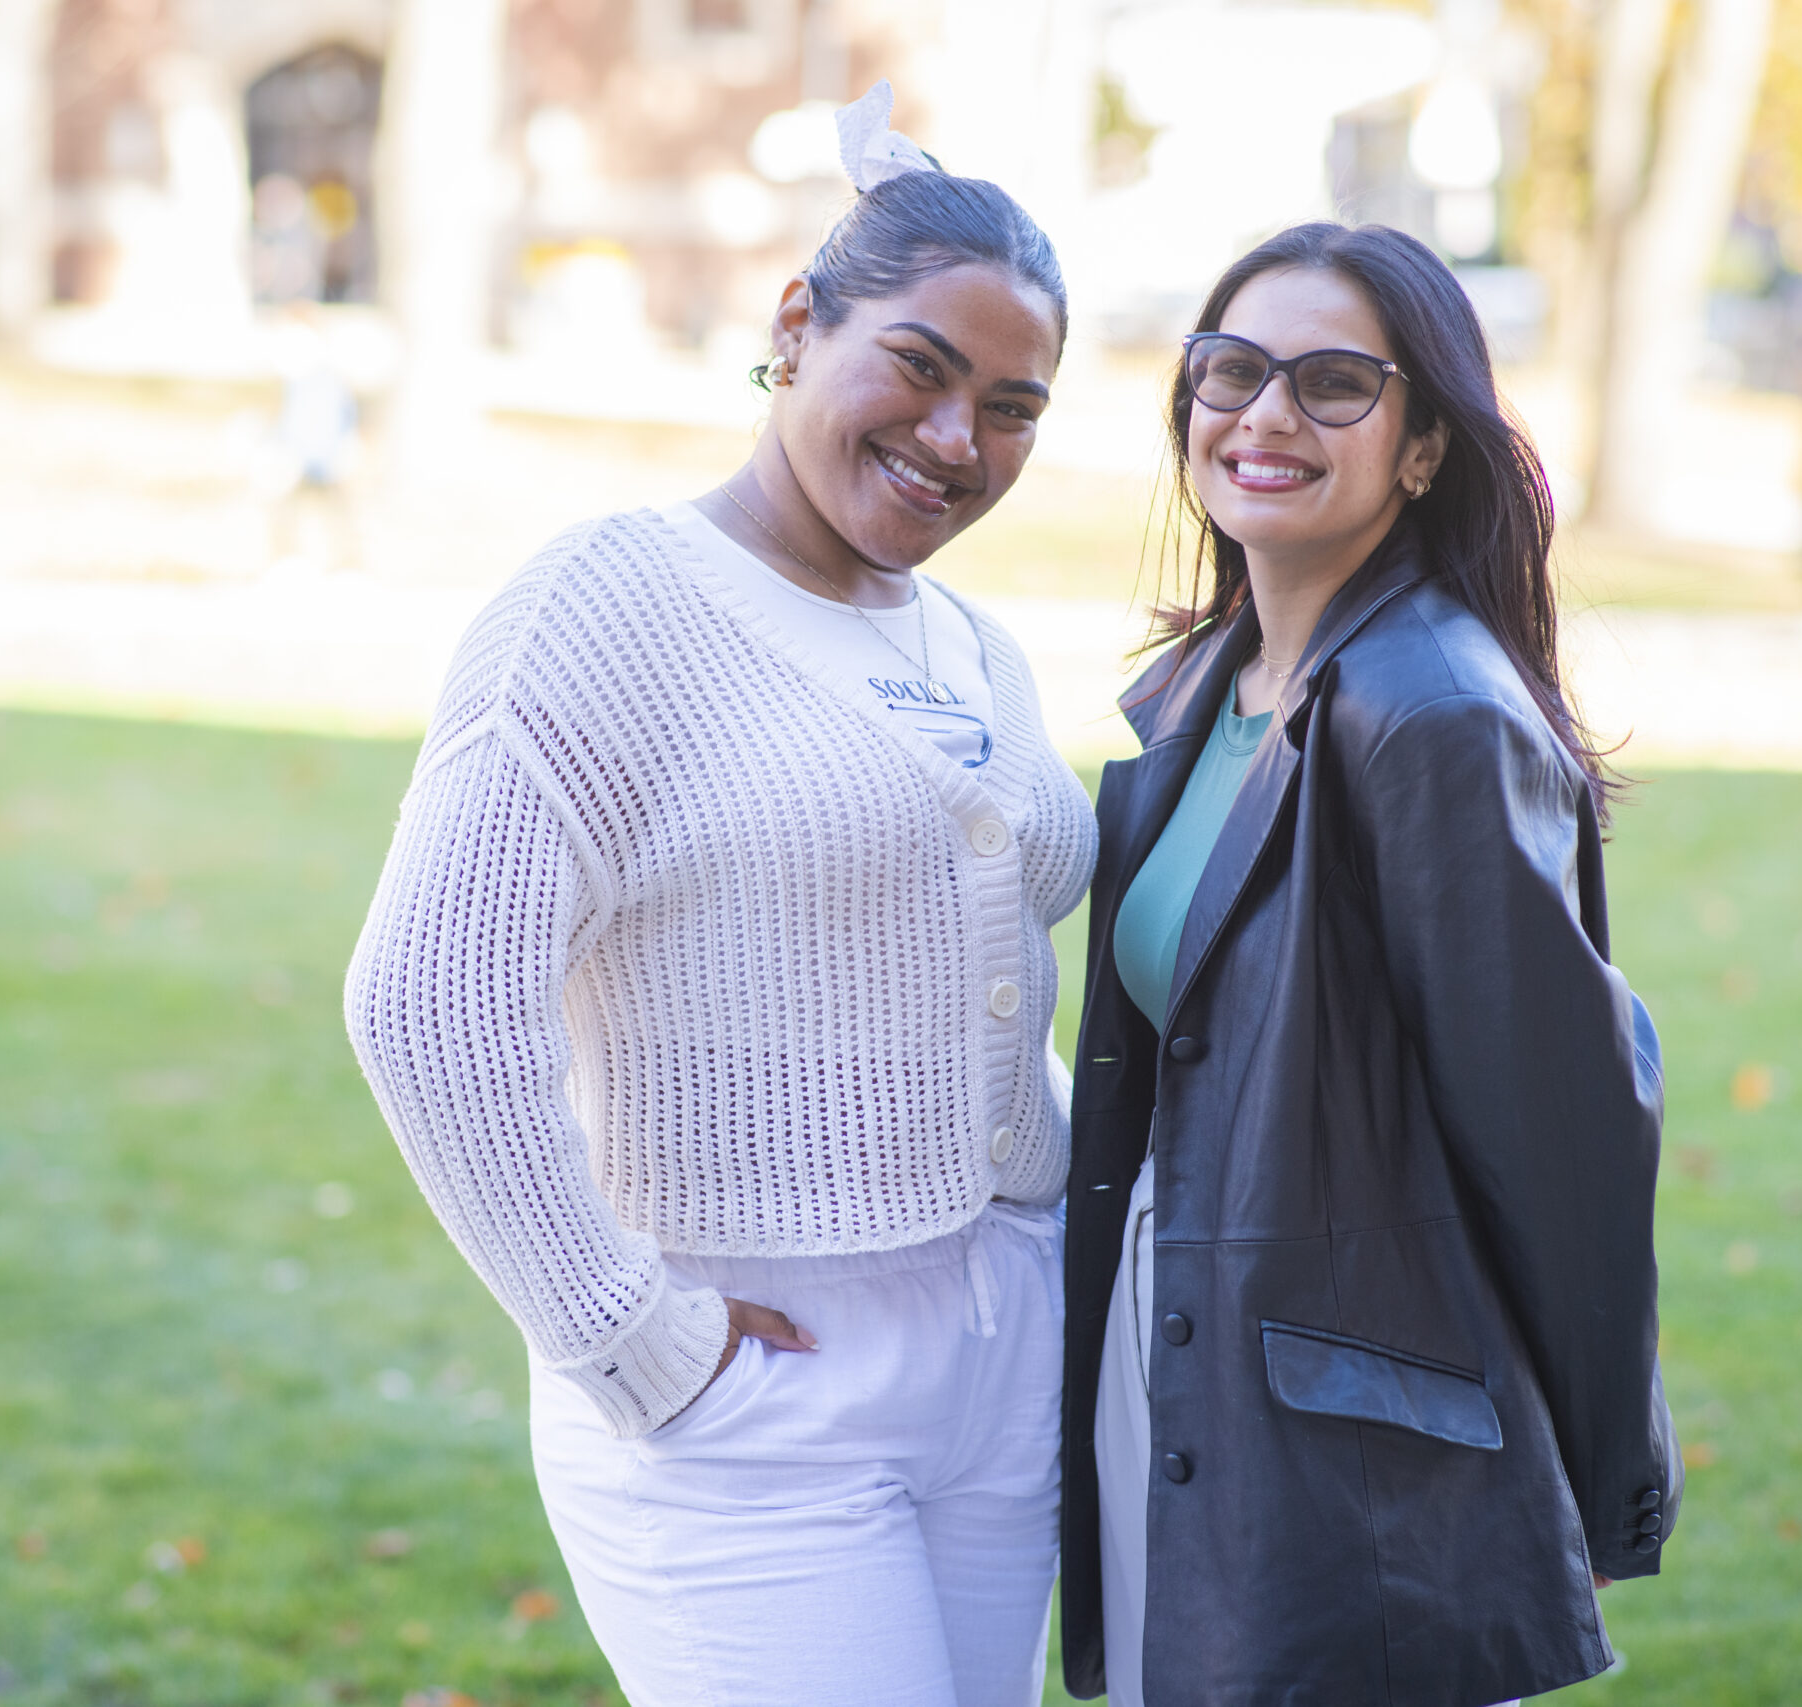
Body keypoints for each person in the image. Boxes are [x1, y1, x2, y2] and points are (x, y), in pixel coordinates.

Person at [343, 83, 1093, 1707]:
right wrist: (631, 1344)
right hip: (750, 1391)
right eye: (921, 369)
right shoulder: (608, 610)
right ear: (796, 325)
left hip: (1002, 1349)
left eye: (1015, 408)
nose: (959, 442)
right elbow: (429, 1005)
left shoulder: (971, 643)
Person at [1059, 222, 1680, 1706]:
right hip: (1186, 1374)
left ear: (1419, 449)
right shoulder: (1213, 687)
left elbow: (1568, 1136)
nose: (1266, 416)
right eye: (1232, 371)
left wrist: (1601, 1481)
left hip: (1360, 1462)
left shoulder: (1433, 713)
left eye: (1335, 384)